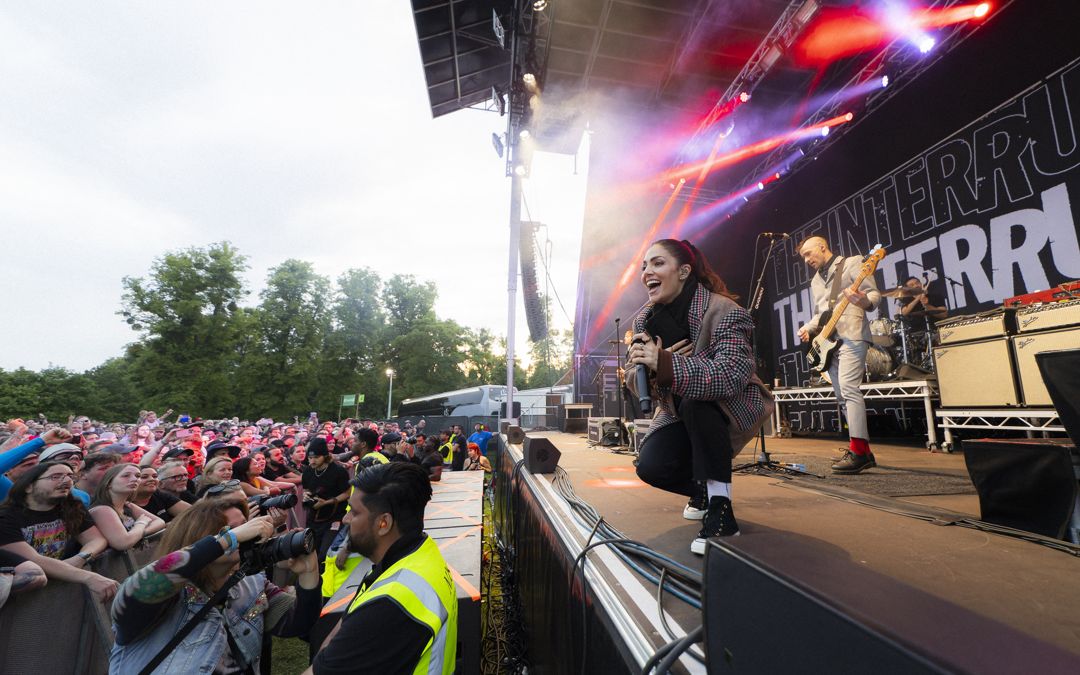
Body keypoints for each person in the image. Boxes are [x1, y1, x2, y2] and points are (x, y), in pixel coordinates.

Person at [626, 239, 767, 554]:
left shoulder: (725, 311)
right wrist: (649, 371)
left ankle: (721, 512)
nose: (647, 271)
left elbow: (729, 376)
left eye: (658, 263)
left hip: (728, 406)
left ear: (684, 271)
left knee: (697, 402)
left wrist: (667, 363)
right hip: (675, 408)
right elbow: (631, 377)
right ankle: (704, 488)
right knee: (651, 467)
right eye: (644, 266)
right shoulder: (643, 320)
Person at [109, 500, 321, 674]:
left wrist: (309, 573)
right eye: (230, 529)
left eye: (246, 525)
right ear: (194, 539)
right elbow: (137, 591)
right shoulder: (169, 592)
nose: (247, 534)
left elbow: (296, 623)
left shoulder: (250, 583)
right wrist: (229, 539)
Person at [308, 463, 457, 675]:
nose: (345, 518)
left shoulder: (391, 602)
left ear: (383, 523)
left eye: (355, 512)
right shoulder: (420, 553)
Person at [796, 236, 882, 474]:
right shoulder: (815, 281)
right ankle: (863, 452)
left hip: (852, 335)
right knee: (842, 395)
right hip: (829, 341)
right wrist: (809, 328)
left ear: (822, 247)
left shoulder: (853, 263)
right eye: (803, 257)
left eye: (808, 254)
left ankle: (858, 451)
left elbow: (874, 295)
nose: (807, 260)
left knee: (849, 388)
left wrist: (863, 300)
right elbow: (821, 312)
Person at [0, 461, 118, 604]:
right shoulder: (6, 517)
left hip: (55, 596)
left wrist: (81, 557)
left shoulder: (72, 507)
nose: (67, 481)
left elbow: (96, 540)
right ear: (28, 486)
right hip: (17, 601)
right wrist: (88, 577)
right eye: (56, 476)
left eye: (69, 476)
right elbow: (33, 559)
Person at [89, 463, 167, 552]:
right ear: (108, 483)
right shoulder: (102, 509)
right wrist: (141, 523)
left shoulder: (128, 505)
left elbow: (160, 522)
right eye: (126, 476)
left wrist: (139, 533)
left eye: (138, 476)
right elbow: (123, 543)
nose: (135, 479)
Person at [301, 438, 351, 562]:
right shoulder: (307, 471)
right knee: (310, 551)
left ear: (325, 456)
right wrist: (306, 496)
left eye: (316, 457)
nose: (312, 461)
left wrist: (327, 502)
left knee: (325, 553)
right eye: (310, 457)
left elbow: (347, 493)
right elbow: (306, 489)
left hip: (334, 517)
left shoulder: (338, 471)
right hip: (314, 518)